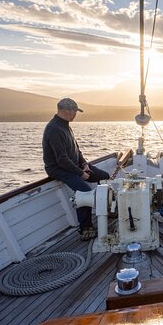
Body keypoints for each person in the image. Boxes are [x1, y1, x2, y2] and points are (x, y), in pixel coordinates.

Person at [42, 98, 109, 240]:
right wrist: (80, 173)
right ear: (67, 111)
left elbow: (76, 151)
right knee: (84, 191)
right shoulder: (54, 129)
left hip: (74, 165)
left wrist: (84, 164)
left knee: (104, 176)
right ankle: (86, 228)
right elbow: (61, 159)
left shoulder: (66, 126)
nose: (76, 115)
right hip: (59, 169)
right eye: (75, 112)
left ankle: (108, 209)